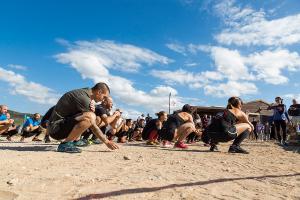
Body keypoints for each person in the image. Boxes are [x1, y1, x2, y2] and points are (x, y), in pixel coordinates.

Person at [48, 82, 119, 153]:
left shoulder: (85, 93)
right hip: (56, 130)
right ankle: (65, 144)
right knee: (90, 116)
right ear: (99, 92)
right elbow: (92, 125)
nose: (103, 100)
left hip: (58, 126)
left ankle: (76, 140)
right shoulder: (84, 98)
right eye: (104, 97)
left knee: (89, 115)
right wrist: (106, 142)